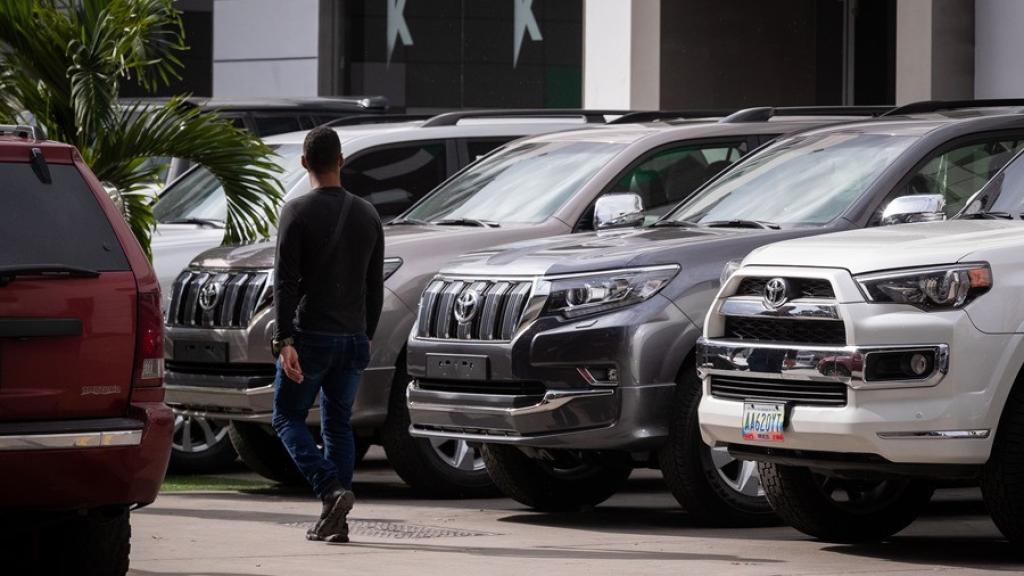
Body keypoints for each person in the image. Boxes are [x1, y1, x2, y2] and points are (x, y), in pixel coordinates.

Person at [270, 126, 384, 543]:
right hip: (354, 337)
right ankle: (336, 520)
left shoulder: (295, 212)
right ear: (342, 161)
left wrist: (284, 340)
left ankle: (330, 489)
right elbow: (374, 286)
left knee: (286, 417)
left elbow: (285, 283)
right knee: (339, 425)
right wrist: (366, 335)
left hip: (312, 335)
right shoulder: (368, 214)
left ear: (304, 163)